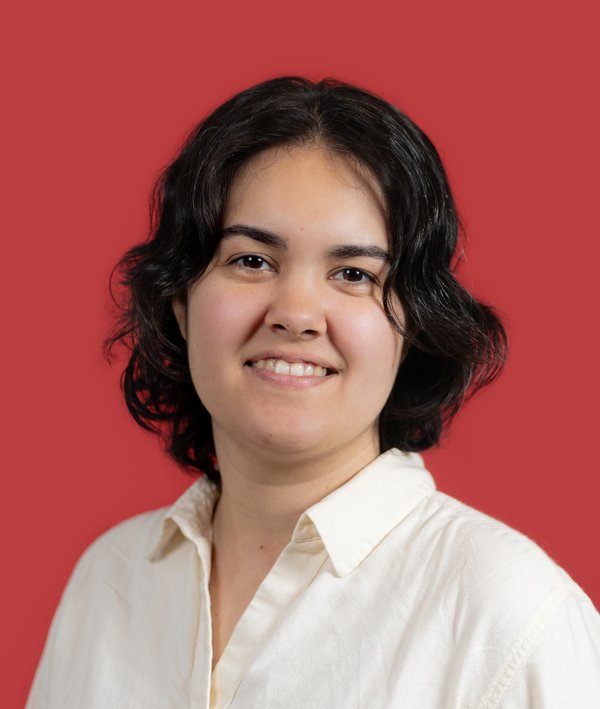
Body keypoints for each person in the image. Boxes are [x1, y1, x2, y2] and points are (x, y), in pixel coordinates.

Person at [27, 77, 600, 708]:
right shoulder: (109, 579)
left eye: (354, 274)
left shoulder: (511, 617)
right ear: (181, 301)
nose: (297, 313)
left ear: (411, 326)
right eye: (251, 260)